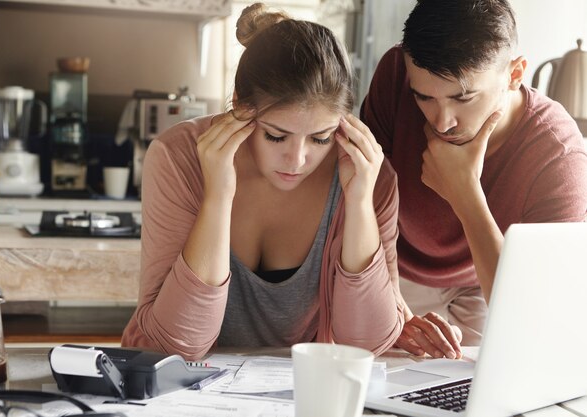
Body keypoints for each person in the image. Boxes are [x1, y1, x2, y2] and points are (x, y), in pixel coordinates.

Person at [122, 2, 404, 360]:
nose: (298, 160)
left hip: (295, 395)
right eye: (276, 136)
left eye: (320, 138)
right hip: (176, 392)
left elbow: (367, 345)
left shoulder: (367, 174)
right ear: (239, 106)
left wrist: (361, 203)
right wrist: (218, 196)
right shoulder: (178, 158)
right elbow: (176, 345)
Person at [361, 0, 587, 360]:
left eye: (463, 97)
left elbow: (538, 317)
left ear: (515, 74)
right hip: (393, 268)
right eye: (424, 97)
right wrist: (392, 305)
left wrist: (465, 194)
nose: (442, 121)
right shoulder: (396, 74)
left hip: (488, 280)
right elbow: (361, 201)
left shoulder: (559, 155)